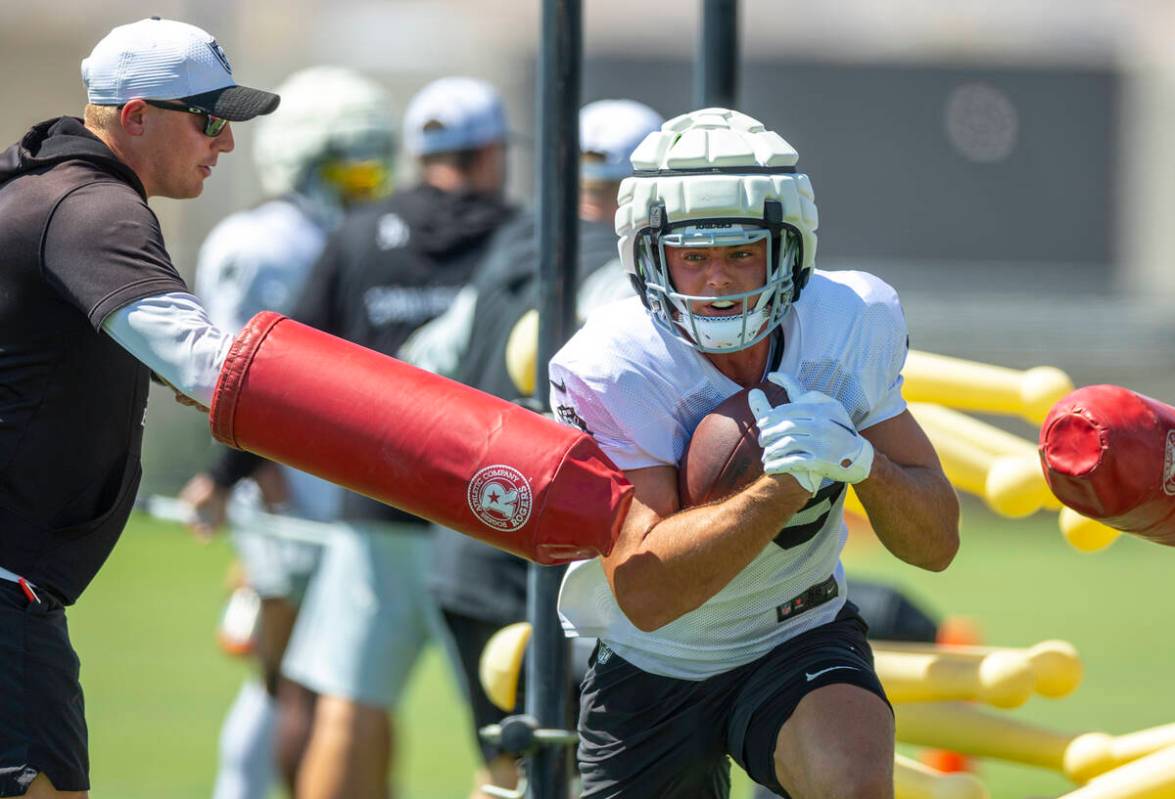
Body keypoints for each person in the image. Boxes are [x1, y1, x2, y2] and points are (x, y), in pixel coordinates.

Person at [547, 108, 960, 798]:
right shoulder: (612, 362)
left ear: (787, 248)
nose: (717, 282)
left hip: (797, 630)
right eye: (694, 256)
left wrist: (863, 460)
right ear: (648, 254)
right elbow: (646, 593)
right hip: (655, 660)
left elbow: (935, 542)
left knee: (853, 786)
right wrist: (783, 484)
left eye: (741, 253)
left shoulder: (850, 317)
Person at [0, 17, 279, 799]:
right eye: (209, 119)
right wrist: (406, 439)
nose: (223, 144)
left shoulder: (34, 184)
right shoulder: (97, 210)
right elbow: (214, 370)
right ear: (135, 117)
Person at [401, 98, 663, 799]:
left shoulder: (511, 245)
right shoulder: (631, 271)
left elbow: (426, 358)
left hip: (468, 537)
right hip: (557, 557)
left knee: (506, 766)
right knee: (592, 771)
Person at [280, 76, 517, 799]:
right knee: (511, 729)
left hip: (376, 509)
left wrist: (223, 476)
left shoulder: (356, 234)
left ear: (416, 153)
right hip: (485, 515)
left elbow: (290, 362)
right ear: (493, 153)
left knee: (351, 704)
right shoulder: (523, 239)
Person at [176, 66, 397, 799]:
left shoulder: (344, 237)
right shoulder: (264, 244)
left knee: (327, 683)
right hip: (288, 491)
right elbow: (238, 378)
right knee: (294, 683)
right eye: (351, 171)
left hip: (340, 488)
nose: (365, 189)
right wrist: (254, 474)